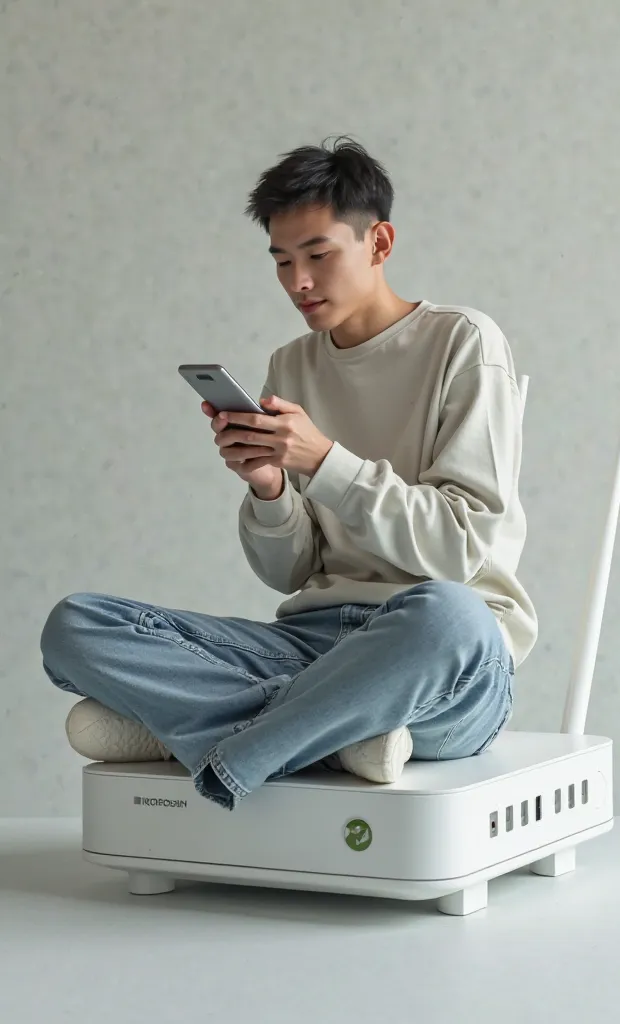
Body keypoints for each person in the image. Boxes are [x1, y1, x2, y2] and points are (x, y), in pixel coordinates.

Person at [40, 137, 538, 811]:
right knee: (76, 625)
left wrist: (324, 462)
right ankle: (335, 731)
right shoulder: (292, 364)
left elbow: (457, 550)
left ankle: (232, 748)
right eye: (281, 261)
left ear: (380, 242)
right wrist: (269, 488)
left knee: (452, 615)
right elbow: (291, 573)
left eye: (318, 256)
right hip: (313, 647)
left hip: (440, 665)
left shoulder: (464, 343)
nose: (297, 282)